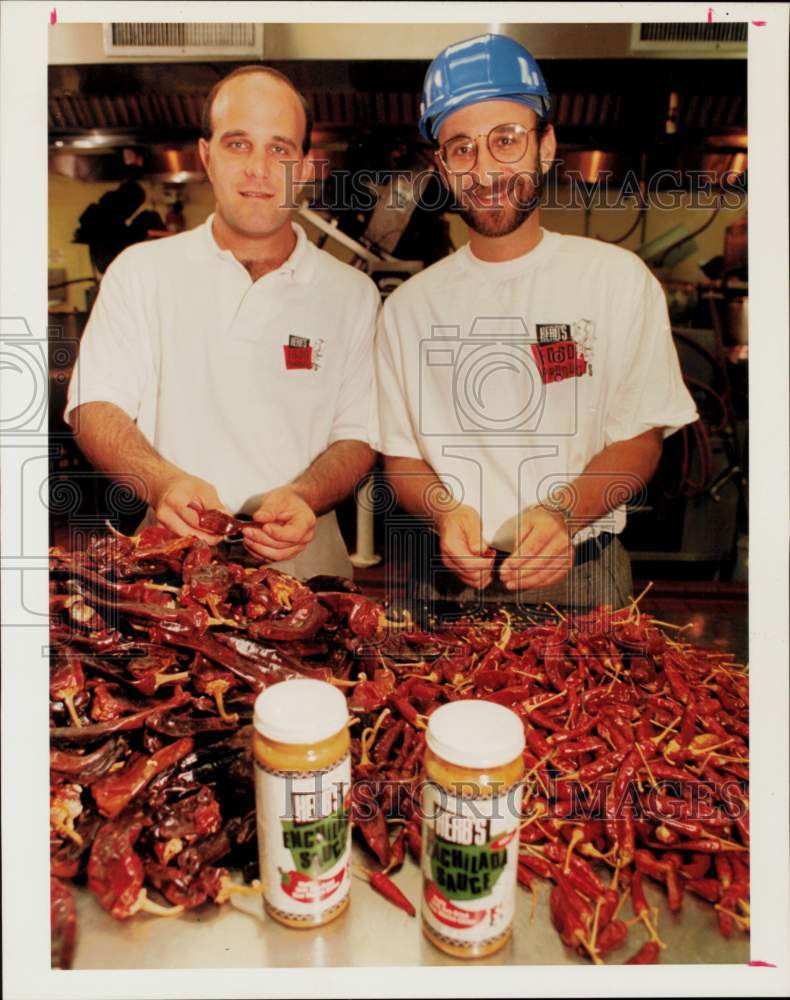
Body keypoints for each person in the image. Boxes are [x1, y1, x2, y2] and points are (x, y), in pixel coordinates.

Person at [374, 34, 698, 610]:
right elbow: (401, 457)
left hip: (580, 575)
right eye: (461, 148)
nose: (486, 168)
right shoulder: (408, 308)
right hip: (442, 579)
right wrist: (445, 511)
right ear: (443, 168)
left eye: (506, 140)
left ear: (546, 146)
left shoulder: (616, 280)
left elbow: (642, 440)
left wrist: (563, 513)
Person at [66, 66, 380, 578]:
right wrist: (161, 481)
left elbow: (359, 435)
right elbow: (95, 405)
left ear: (303, 166)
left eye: (279, 149)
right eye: (239, 144)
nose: (259, 168)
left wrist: (303, 497)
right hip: (167, 568)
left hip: (307, 570)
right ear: (207, 156)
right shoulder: (141, 273)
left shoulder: (352, 294)